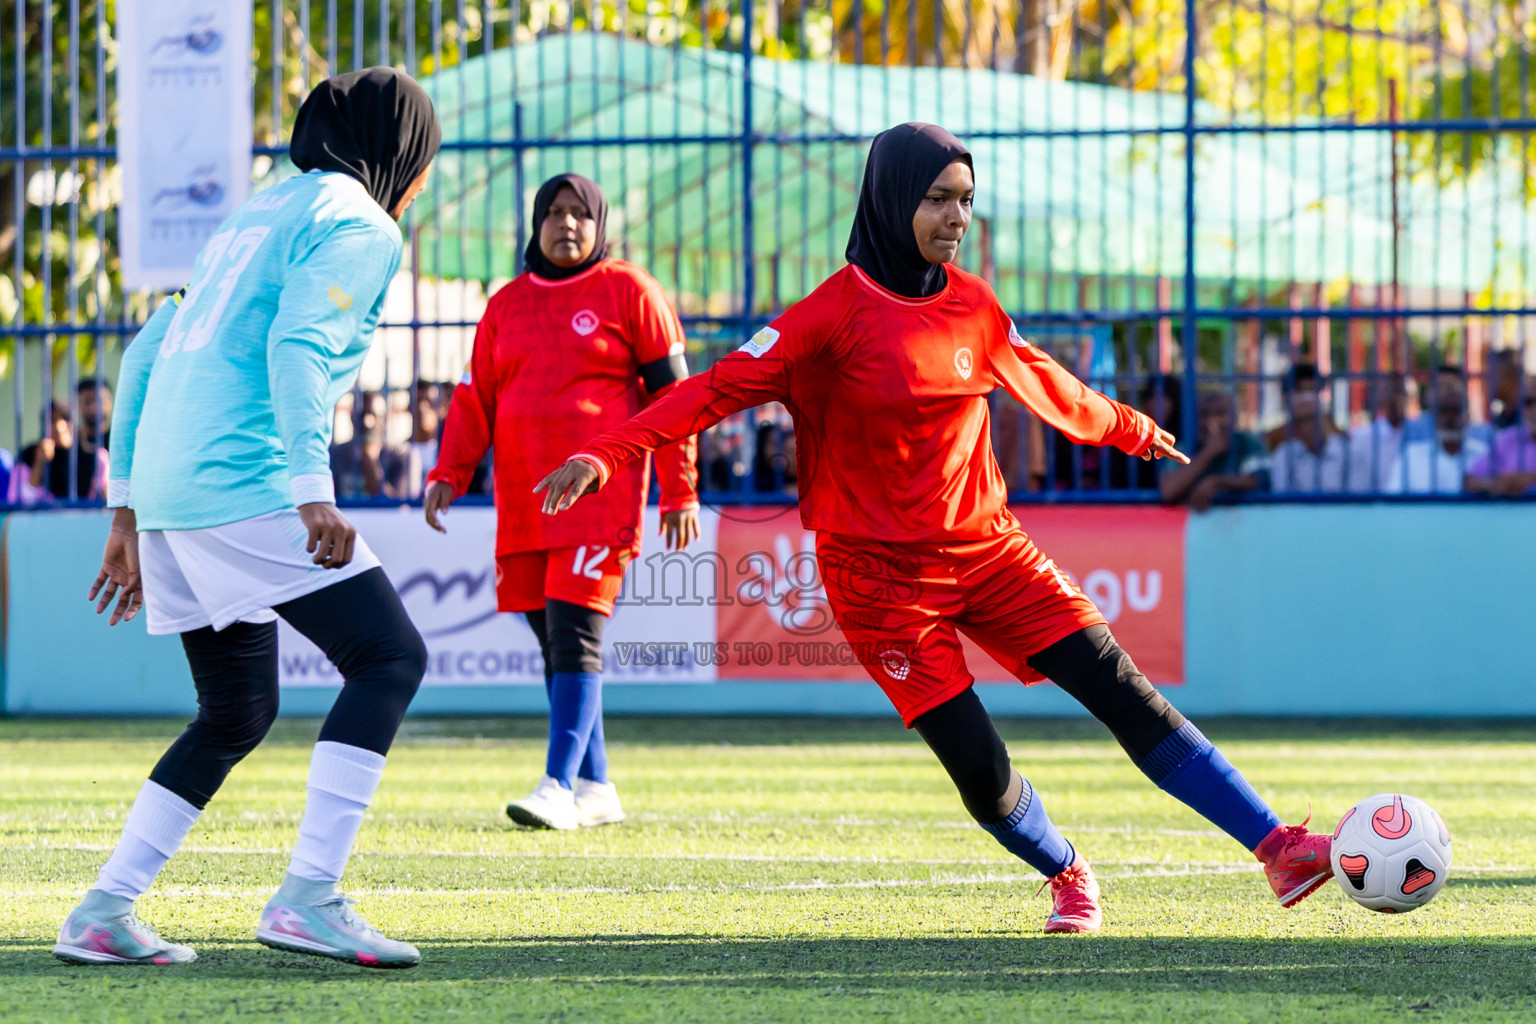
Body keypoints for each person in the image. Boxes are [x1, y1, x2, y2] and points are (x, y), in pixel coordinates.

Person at [534, 123, 1333, 934]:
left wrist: (1124, 426)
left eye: (966, 202)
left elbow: (1045, 382)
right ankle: (1066, 870)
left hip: (991, 553)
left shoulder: (974, 305)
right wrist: (607, 452)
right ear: (890, 199)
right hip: (877, 583)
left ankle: (1279, 848)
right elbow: (708, 391)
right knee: (983, 774)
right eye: (938, 199)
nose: (956, 218)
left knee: (1124, 692)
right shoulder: (824, 319)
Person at [55, 67, 441, 970]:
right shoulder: (359, 221)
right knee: (389, 658)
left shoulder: (251, 217)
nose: (424, 177)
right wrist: (314, 486)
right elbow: (299, 342)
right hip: (247, 479)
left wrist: (127, 509)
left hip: (174, 492)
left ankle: (102, 913)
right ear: (399, 148)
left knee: (235, 711)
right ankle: (309, 897)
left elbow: (148, 352)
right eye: (426, 155)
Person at [423, 173, 699, 831]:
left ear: (599, 225)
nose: (567, 224)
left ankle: (557, 784)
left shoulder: (630, 291)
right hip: (522, 503)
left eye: (580, 213)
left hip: (600, 500)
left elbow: (676, 400)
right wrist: (449, 473)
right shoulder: (506, 304)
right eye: (554, 212)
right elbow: (474, 398)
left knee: (576, 636)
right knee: (551, 641)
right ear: (536, 224)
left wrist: (680, 487)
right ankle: (597, 785)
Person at [1159, 390, 1267, 511]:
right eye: (1205, 414)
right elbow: (1169, 490)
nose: (1212, 421)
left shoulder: (1248, 443)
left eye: (1221, 413)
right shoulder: (1185, 447)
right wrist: (1208, 452)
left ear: (1235, 418)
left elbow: (1259, 480)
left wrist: (1216, 482)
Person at [1382, 383, 1486, 495]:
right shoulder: (1411, 456)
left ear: (1468, 416)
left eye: (1456, 410)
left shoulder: (1484, 454)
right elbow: (1393, 499)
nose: (1450, 418)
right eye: (1443, 410)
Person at [1269, 366, 1350, 493]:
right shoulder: (1273, 438)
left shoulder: (1341, 438)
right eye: (1301, 391)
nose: (1307, 397)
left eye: (1313, 390)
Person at [11, 400, 109, 504]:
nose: (59, 427)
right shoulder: (27, 457)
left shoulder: (96, 457)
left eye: (66, 419)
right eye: (52, 420)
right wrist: (38, 464)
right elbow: (17, 503)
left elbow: (105, 502)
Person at [1344, 372, 1417, 493]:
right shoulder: (1363, 437)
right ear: (1383, 400)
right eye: (1393, 396)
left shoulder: (1421, 435)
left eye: (1403, 395)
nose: (1398, 401)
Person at [1467, 380, 1536, 496]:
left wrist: (1531, 479)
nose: (1534, 409)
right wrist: (1493, 484)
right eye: (1528, 402)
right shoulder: (1507, 440)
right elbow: (1470, 480)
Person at [78, 378, 114, 448]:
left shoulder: (119, 439)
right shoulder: (73, 443)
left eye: (100, 401)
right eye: (88, 401)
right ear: (79, 405)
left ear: (110, 403)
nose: (94, 407)